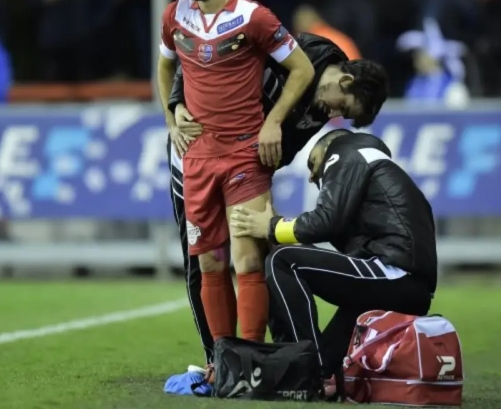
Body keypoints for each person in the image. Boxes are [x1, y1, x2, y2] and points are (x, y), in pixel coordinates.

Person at [166, 33, 389, 363]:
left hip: (244, 165)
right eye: (342, 105)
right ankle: (217, 361)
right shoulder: (293, 51)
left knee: (260, 253)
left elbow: (284, 147)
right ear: (344, 79)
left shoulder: (322, 104)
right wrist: (177, 102)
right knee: (204, 258)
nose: (334, 113)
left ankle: (268, 355)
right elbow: (210, 49)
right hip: (195, 148)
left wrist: (256, 176)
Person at [156, 0, 317, 346]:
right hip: (197, 157)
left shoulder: (255, 17)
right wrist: (172, 118)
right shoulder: (175, 15)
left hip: (245, 154)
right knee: (210, 261)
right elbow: (164, 68)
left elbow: (302, 69)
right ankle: (223, 361)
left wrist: (273, 121)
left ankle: (253, 355)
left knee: (247, 259)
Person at [229, 129, 437, 382]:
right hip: (403, 283)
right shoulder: (375, 168)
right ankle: (314, 370)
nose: (311, 176)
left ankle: (301, 368)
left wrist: (272, 226)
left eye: (312, 162)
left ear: (328, 146)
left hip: (394, 274)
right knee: (327, 359)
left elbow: (326, 221)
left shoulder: (346, 151)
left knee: (284, 260)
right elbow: (343, 236)